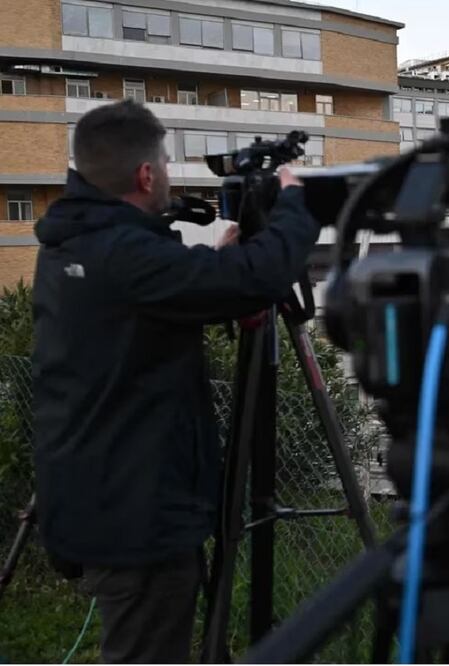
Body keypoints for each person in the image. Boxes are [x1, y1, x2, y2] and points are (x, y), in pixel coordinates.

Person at [32, 101, 322, 663]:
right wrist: (296, 206)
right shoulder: (123, 252)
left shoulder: (77, 238)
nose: (167, 172)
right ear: (146, 174)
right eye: (164, 162)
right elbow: (259, 277)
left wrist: (212, 269)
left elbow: (142, 309)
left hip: (105, 495)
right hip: (135, 518)